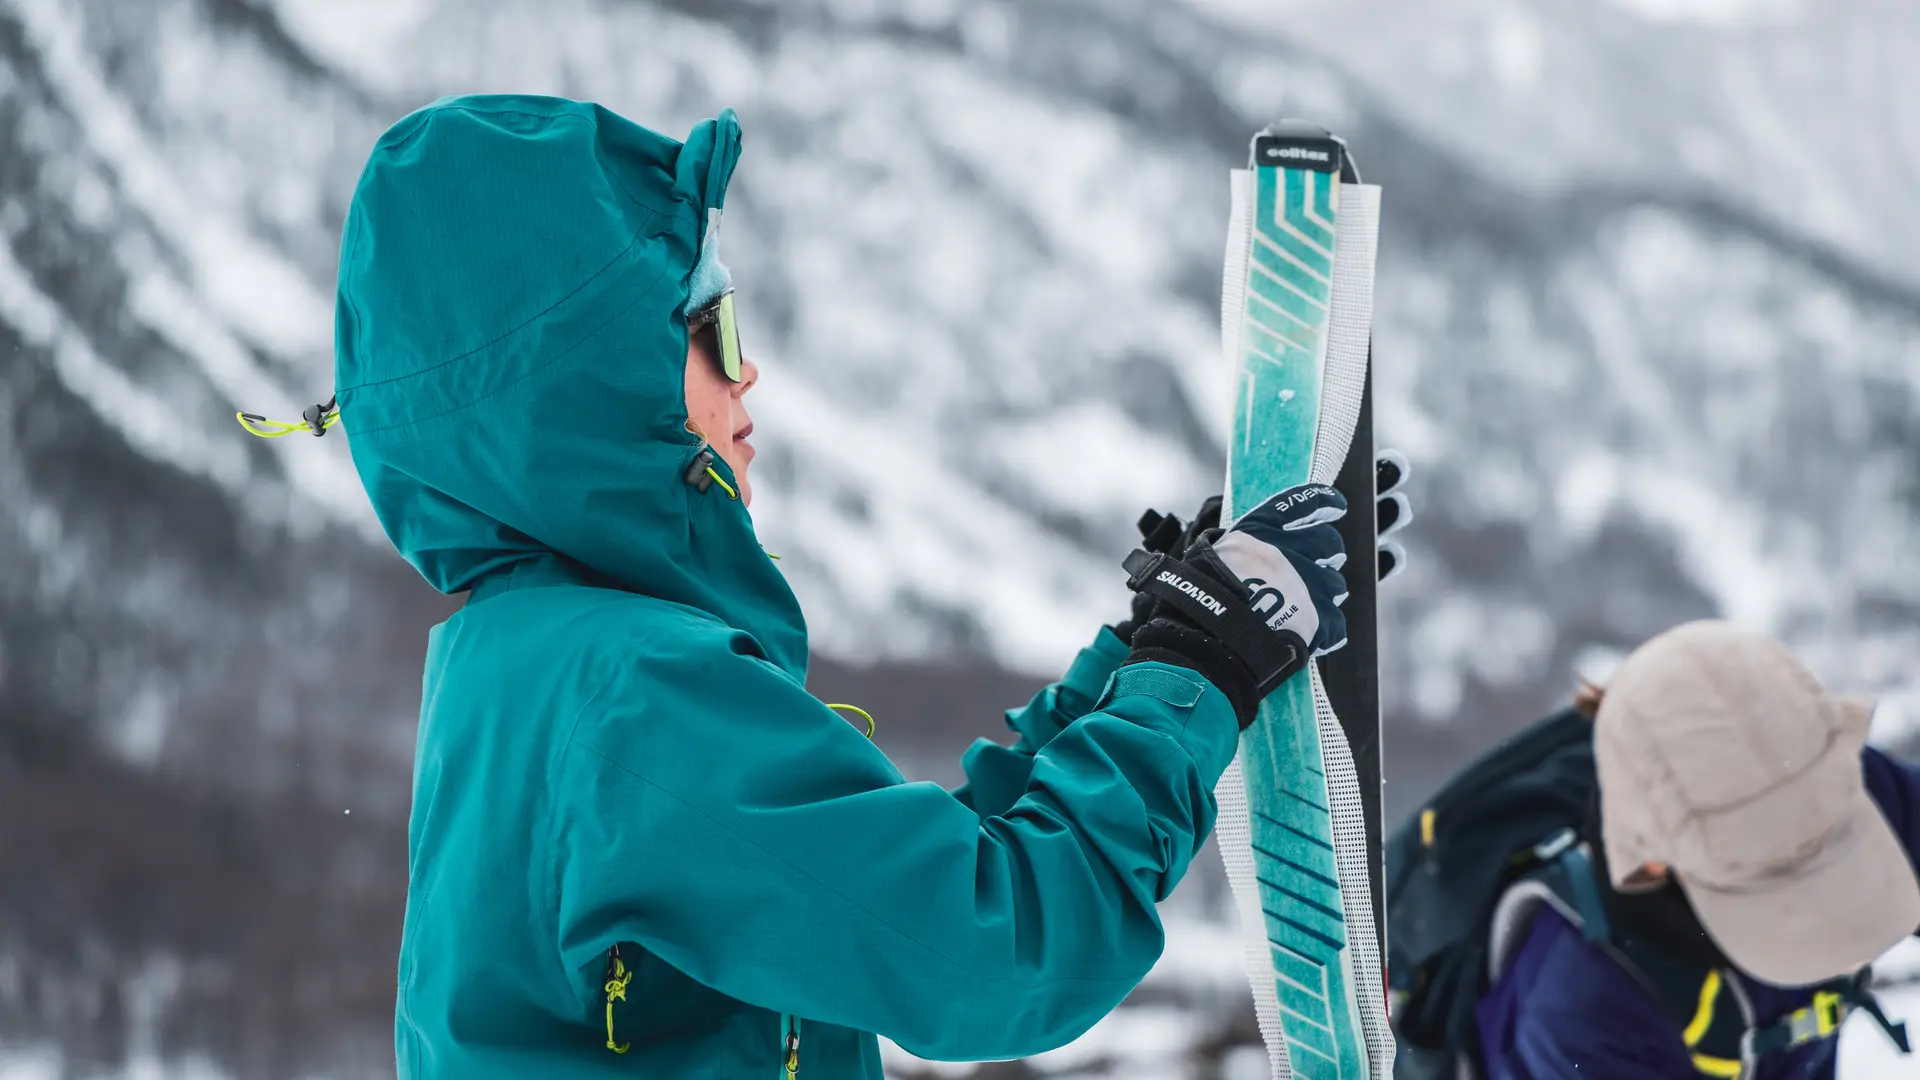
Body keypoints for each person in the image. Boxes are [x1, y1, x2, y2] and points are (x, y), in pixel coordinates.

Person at [319, 94, 1377, 1078]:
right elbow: (995, 948)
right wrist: (1194, 674)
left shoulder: (527, 673)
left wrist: (1140, 662)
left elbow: (899, 886)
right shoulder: (626, 697)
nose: (747, 373)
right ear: (585, 386)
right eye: (709, 328)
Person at [1390, 621, 1920, 1080]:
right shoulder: (1588, 1003)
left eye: (1824, 845)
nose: (1812, 897)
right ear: (1652, 862)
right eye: (1769, 879)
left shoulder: (1822, 783)